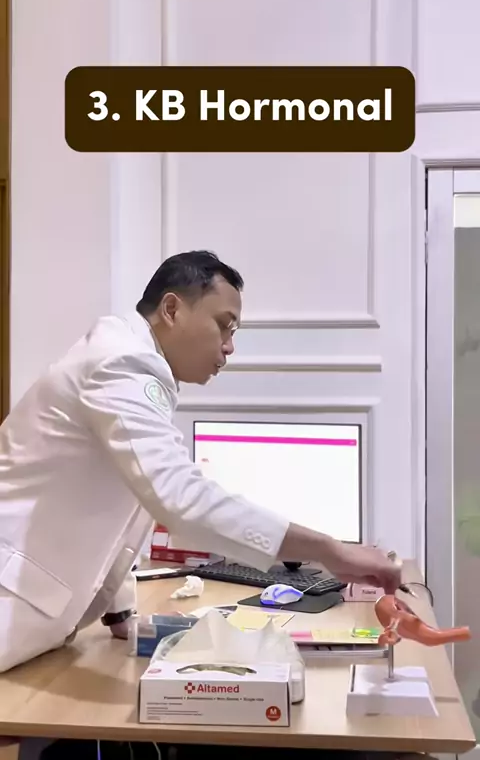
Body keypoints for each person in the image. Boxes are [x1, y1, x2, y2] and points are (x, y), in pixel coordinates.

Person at [0, 249, 401, 674]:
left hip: (40, 616)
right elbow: (178, 499)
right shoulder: (120, 364)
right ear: (172, 309)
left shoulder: (126, 362)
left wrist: (118, 609)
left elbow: (127, 494)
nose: (229, 347)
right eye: (224, 325)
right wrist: (330, 550)